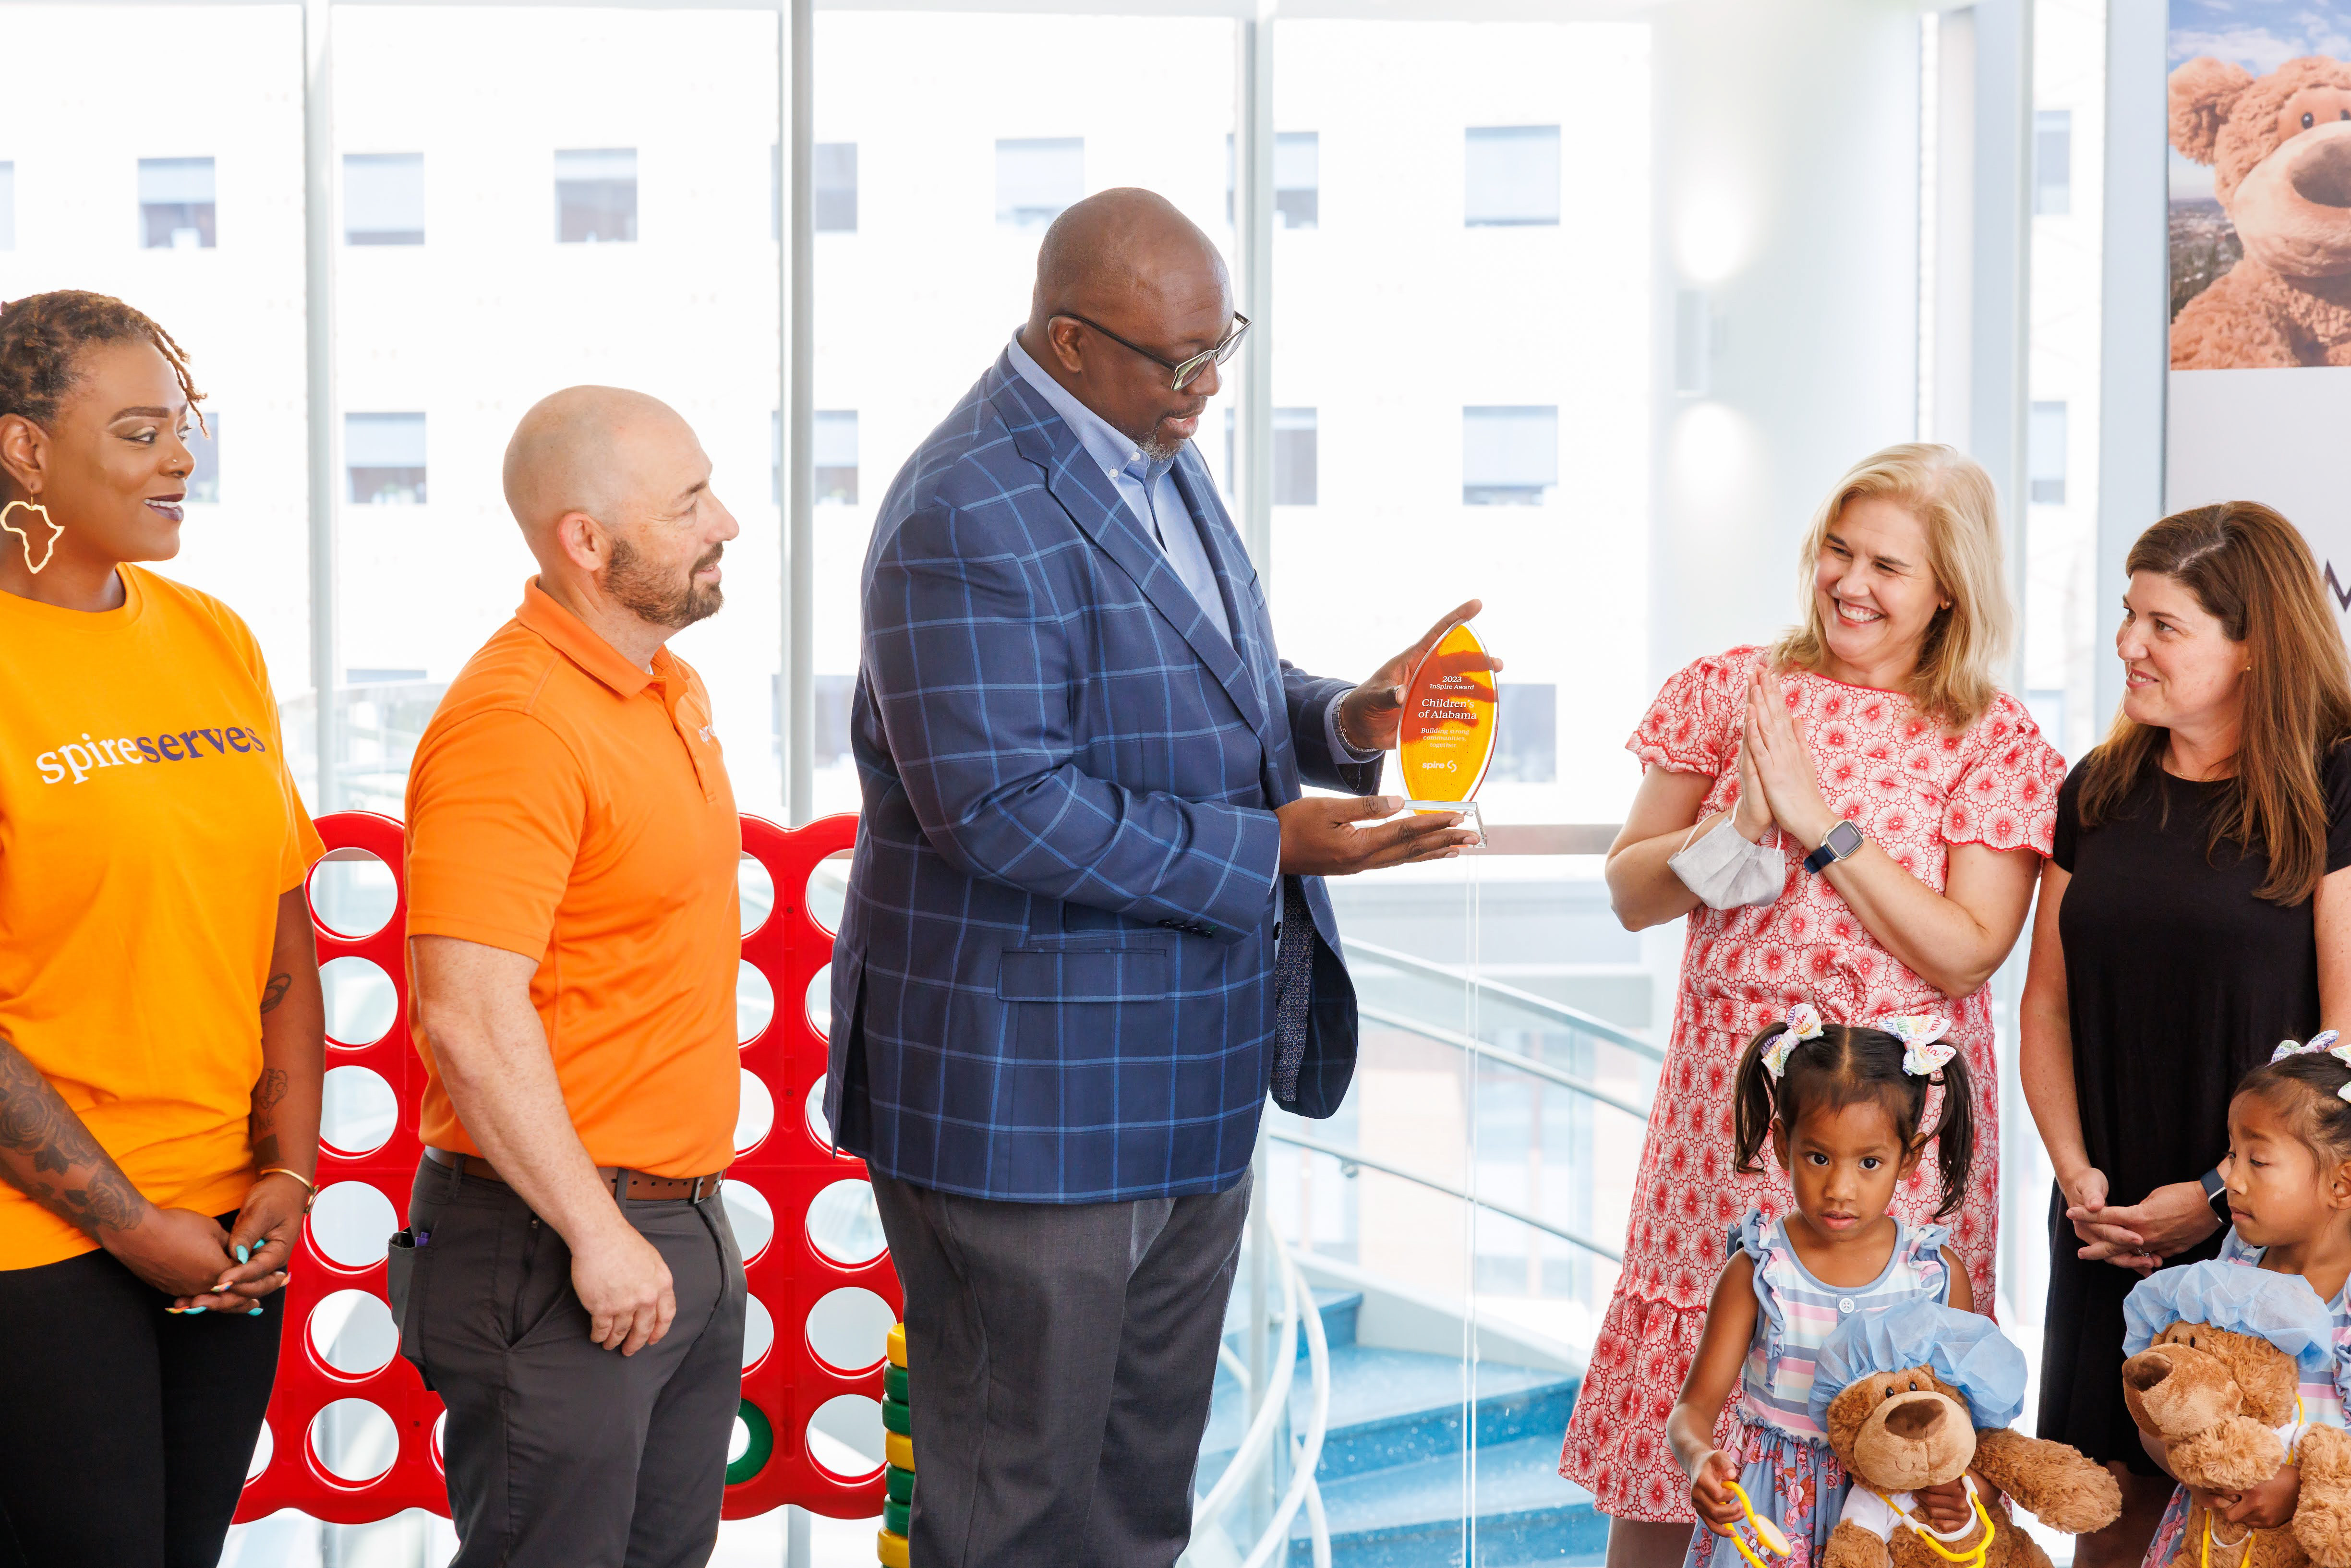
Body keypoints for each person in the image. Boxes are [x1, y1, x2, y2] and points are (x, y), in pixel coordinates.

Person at [826, 187, 1485, 1567]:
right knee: (1012, 1514)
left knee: (1136, 1510)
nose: (1207, 389)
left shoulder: (1145, 434)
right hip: (1028, 1102)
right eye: (1177, 362)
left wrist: (1342, 722)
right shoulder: (966, 508)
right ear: (1068, 341)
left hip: (1184, 1078)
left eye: (1221, 347)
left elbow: (1197, 675)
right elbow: (1000, 809)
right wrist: (1271, 844)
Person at [1564, 443, 2064, 1568]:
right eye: (1839, 549)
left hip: (1897, 1130)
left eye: (1888, 564)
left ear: (1950, 587)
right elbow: (1628, 892)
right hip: (1728, 1113)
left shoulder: (1991, 736)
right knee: (1694, 1382)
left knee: (1886, 1424)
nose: (1850, 582)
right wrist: (1735, 828)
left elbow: (1967, 950)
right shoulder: (1729, 686)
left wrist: (1823, 826)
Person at [396, 386, 748, 1568]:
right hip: (560, 1244)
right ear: (586, 544)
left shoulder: (665, 691)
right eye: (690, 503)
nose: (727, 524)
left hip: (673, 1221)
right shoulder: (517, 724)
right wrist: (598, 1234)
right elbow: (467, 1013)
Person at [0, 291, 324, 1565]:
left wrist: (288, 1173)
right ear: (24, 450)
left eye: (182, 427)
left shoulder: (211, 640)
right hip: (40, 1238)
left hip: (228, 1225)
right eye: (139, 432)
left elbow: (280, 934)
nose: (181, 459)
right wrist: (135, 1224)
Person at [2019, 501, 2351, 1568]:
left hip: (2266, 1230)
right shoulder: (2096, 790)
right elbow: (2047, 1005)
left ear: (2252, 641)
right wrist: (2081, 1183)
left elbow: (2346, 1036)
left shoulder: (2335, 786)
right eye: (2128, 615)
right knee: (2108, 1509)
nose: (2128, 644)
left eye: (2164, 624)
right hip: (2106, 1227)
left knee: (2259, 1519)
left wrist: (2208, 1197)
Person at [1673, 1008, 1980, 1568]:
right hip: (1771, 1517)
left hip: (1893, 1517)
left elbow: (1970, 1422)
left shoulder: (1934, 1275)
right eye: (1817, 1157)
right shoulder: (1758, 1271)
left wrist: (1964, 1491)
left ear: (1908, 1157)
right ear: (1784, 1141)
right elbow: (1692, 1408)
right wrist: (1698, 1458)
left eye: (1869, 1162)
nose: (1840, 1188)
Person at [2137, 1037, 2351, 1568]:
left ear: (2341, 1184)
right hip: (2211, 1544)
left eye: (2256, 1159)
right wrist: (2199, 1467)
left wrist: (2299, 1487)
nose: (2230, 1178)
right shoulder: (2222, 1282)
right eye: (2233, 1154)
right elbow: (2155, 1414)